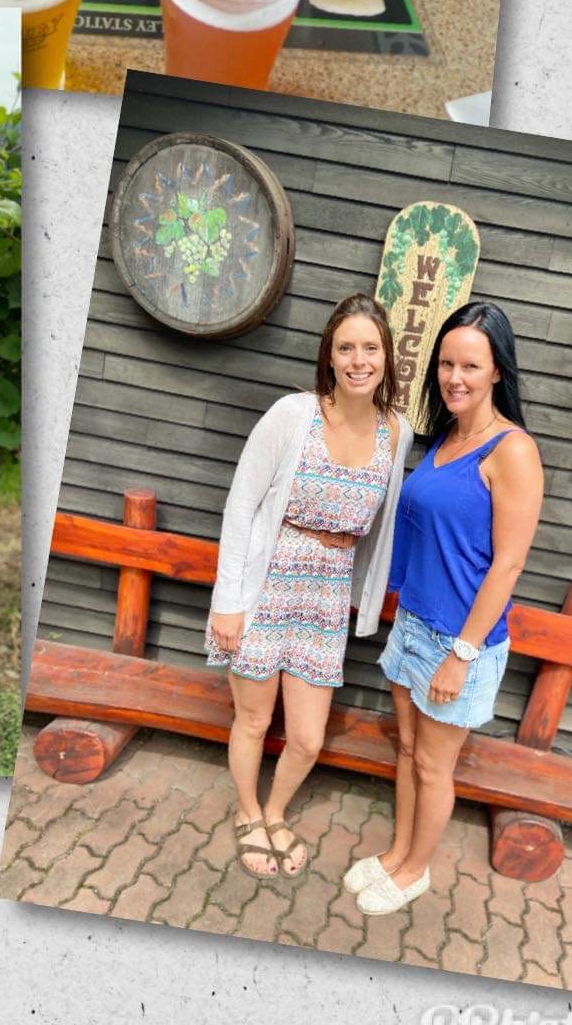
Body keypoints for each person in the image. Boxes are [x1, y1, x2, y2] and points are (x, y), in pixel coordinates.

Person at [203, 294, 411, 879]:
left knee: (309, 738)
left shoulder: (398, 432)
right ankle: (248, 812)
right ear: (329, 355)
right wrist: (229, 604)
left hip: (324, 597)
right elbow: (242, 507)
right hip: (267, 586)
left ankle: (276, 810)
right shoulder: (293, 415)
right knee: (251, 720)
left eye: (370, 347)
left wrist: (362, 597)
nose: (358, 359)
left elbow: (385, 523)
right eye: (346, 347)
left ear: (387, 356)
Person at [348, 300, 544, 916]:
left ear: (497, 373)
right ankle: (398, 853)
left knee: (434, 767)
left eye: (471, 366)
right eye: (447, 363)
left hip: (459, 642)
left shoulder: (512, 451)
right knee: (406, 752)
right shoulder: (447, 438)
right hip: (413, 626)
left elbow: (507, 565)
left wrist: (461, 653)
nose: (455, 377)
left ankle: (415, 872)